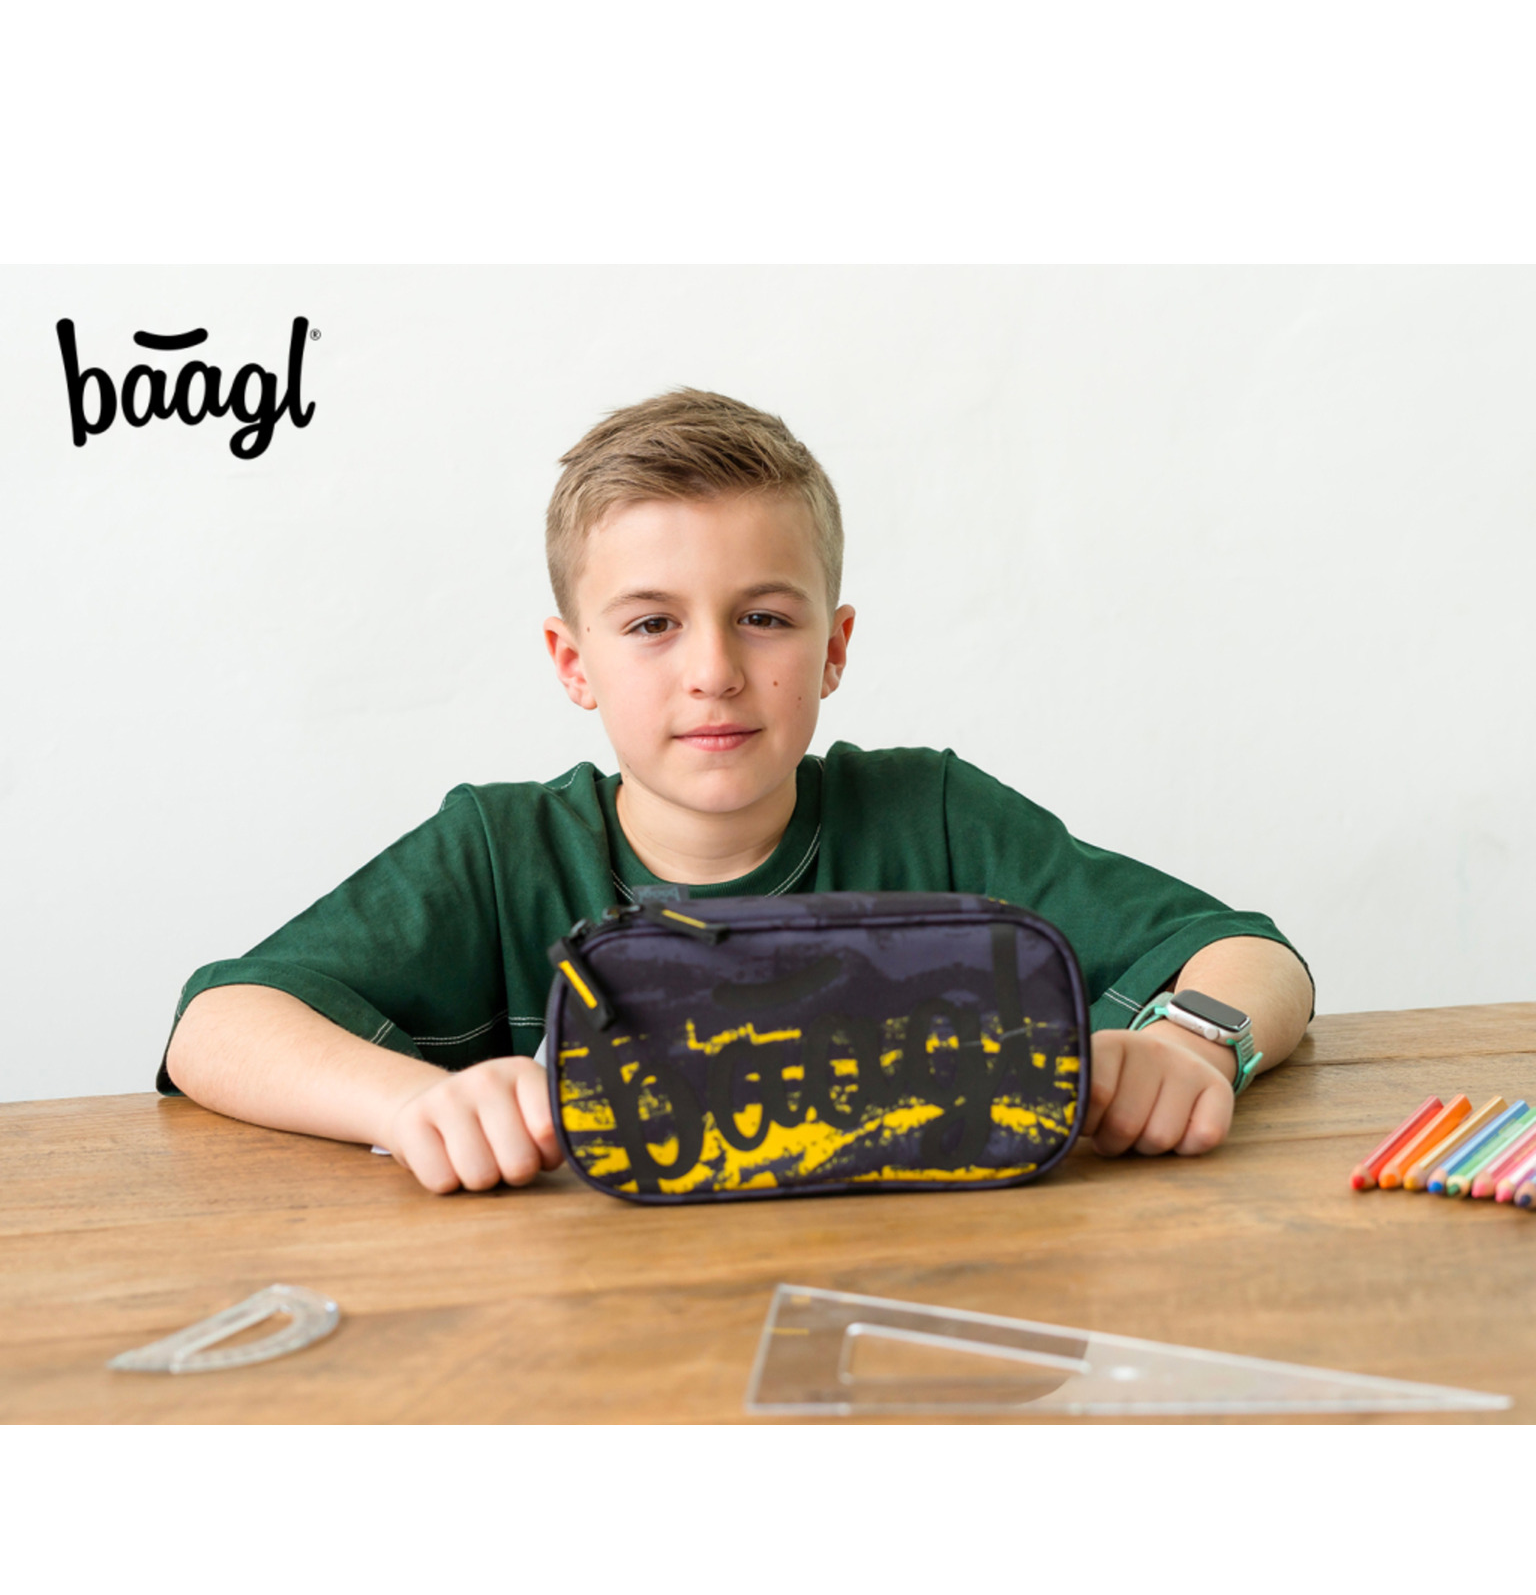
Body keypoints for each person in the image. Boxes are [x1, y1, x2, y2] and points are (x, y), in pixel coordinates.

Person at [162, 389, 1314, 1192]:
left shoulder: (935, 817)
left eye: (763, 616)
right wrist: (409, 1102)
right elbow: (217, 1023)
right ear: (573, 662)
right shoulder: (498, 850)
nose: (713, 668)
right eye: (651, 624)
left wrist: (1190, 1046)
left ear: (834, 647)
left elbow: (1251, 955)